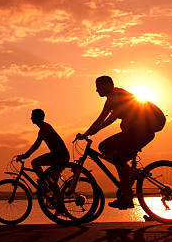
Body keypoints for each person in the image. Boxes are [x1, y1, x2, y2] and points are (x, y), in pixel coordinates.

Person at [76, 75, 162, 210]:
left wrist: (95, 130)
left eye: (98, 87)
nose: (96, 90)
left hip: (141, 131)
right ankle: (129, 177)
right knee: (104, 147)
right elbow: (100, 119)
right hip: (136, 131)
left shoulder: (116, 95)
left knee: (118, 159)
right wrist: (86, 133)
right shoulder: (112, 98)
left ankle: (126, 197)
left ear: (107, 85)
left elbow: (112, 117)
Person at [16, 109, 70, 181]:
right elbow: (36, 145)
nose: (31, 118)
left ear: (38, 117)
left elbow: (36, 145)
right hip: (57, 155)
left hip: (60, 156)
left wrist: (25, 155)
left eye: (33, 116)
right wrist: (26, 155)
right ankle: (45, 184)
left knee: (35, 163)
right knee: (52, 180)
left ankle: (44, 183)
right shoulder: (44, 127)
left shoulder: (44, 128)